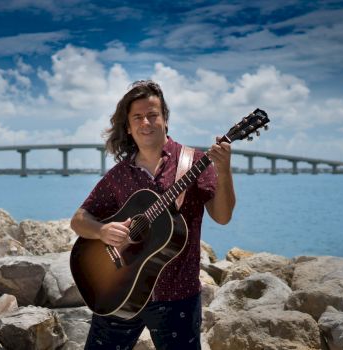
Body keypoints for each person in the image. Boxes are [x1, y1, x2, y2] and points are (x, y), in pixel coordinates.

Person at [70, 80, 235, 350]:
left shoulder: (193, 162)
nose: (146, 122)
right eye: (138, 117)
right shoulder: (120, 175)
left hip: (177, 297)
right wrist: (102, 231)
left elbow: (223, 216)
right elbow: (79, 219)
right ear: (128, 126)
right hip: (117, 292)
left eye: (152, 115)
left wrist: (224, 170)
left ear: (165, 120)